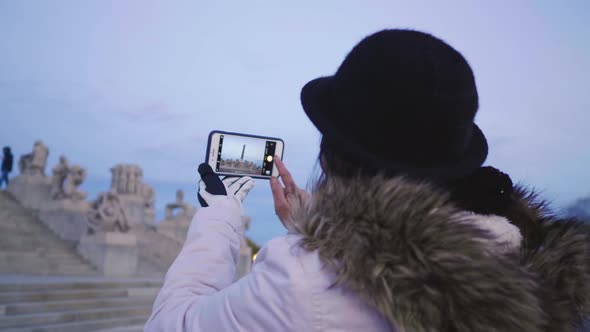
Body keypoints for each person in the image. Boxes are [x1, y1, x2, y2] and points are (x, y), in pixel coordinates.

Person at [145, 30, 589, 331]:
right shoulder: (525, 248)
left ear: (335, 154)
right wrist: (318, 226)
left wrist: (220, 216)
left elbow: (172, 323)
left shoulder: (302, 283)